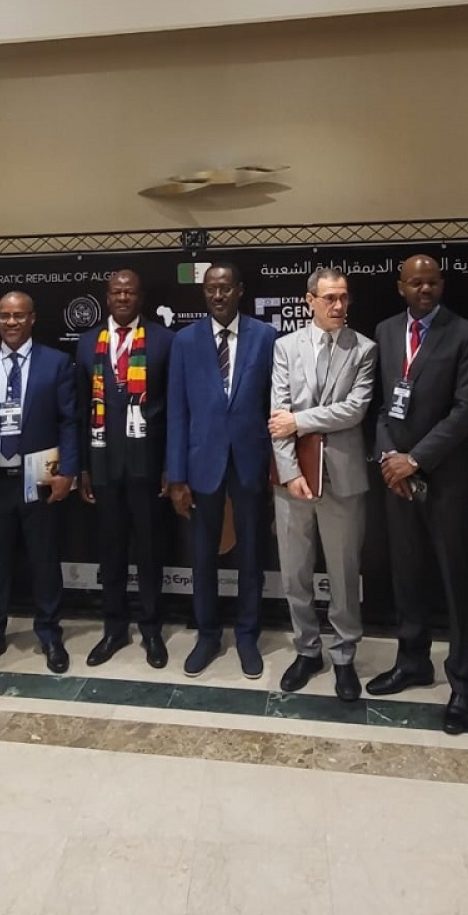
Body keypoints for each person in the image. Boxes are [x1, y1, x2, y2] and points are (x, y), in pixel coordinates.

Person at [367, 254, 468, 734]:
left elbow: (467, 410)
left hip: (446, 482)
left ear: (442, 284)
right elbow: (380, 405)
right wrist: (388, 459)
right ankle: (412, 661)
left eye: (432, 282)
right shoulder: (386, 331)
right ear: (400, 286)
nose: (424, 289)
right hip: (397, 480)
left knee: (457, 582)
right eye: (415, 282)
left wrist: (415, 459)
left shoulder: (466, 334)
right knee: (407, 576)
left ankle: (463, 683)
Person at [0, 291, 78, 675]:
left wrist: (66, 473)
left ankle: (49, 634)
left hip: (39, 478)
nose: (11, 322)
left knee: (44, 561)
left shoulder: (56, 363)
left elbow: (69, 422)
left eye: (19, 316)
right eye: (5, 316)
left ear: (33, 319)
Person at [269, 269, 375, 702]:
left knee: (344, 573)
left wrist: (301, 420)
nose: (338, 306)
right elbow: (277, 415)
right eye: (330, 298)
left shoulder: (363, 349)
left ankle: (345, 655)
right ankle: (306, 649)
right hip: (292, 482)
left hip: (342, 479)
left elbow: (354, 409)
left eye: (344, 298)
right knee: (295, 573)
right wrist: (291, 472)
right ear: (309, 300)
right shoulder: (284, 347)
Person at [166, 262, 276, 678]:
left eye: (225, 289)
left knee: (251, 553)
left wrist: (275, 467)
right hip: (201, 464)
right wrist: (176, 475)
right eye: (211, 289)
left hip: (250, 462)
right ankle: (207, 635)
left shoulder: (266, 337)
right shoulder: (185, 341)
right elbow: (177, 411)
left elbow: (274, 404)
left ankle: (248, 636)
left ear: (239, 291)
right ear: (204, 293)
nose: (217, 296)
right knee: (202, 556)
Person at [76, 269, 174, 668]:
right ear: (107, 296)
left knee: (150, 551)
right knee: (111, 550)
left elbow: (174, 410)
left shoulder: (164, 341)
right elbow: (81, 409)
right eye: (116, 291)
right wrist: (83, 467)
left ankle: (151, 630)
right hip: (103, 464)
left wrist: (170, 466)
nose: (122, 297)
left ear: (140, 297)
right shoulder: (86, 345)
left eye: (129, 292)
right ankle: (114, 628)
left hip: (147, 466)